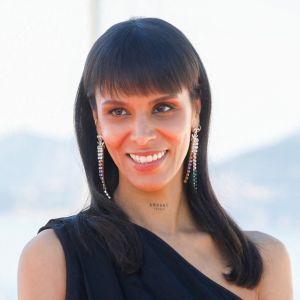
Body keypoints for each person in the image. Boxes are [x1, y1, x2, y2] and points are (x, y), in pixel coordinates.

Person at [18, 17, 293, 299]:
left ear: (195, 110)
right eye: (119, 112)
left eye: (163, 107)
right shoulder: (53, 257)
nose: (142, 135)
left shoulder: (263, 262)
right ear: (97, 121)